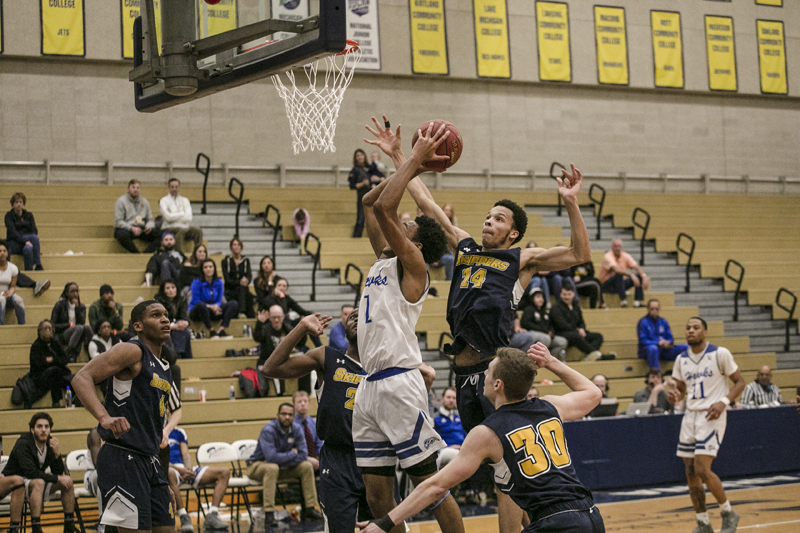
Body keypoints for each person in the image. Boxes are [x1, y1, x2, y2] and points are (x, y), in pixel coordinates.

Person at [364, 115, 590, 533]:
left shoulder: (520, 260)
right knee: (494, 473)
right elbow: (429, 206)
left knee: (506, 475)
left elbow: (579, 253)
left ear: (514, 233)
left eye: (499, 219)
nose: (490, 221)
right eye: (488, 216)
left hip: (494, 369)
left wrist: (571, 201)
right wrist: (401, 155)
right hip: (464, 373)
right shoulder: (465, 247)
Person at [359, 345, 604, 533]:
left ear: (497, 384)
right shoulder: (549, 406)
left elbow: (435, 486)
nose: (484, 373)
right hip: (590, 514)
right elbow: (593, 393)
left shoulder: (487, 433)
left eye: (488, 370)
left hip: (556, 524)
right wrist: (551, 363)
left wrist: (384, 522)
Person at [354, 121, 463, 533]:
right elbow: (371, 204)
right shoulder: (383, 261)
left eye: (407, 225)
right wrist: (402, 162)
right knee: (377, 496)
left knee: (428, 486)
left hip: (399, 382)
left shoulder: (414, 267)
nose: (399, 222)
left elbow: (384, 209)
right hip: (369, 385)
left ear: (415, 244)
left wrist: (414, 161)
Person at [261, 310, 384, 532]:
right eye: (351, 317)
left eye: (362, 315)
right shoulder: (326, 357)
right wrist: (301, 328)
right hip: (338, 458)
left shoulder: (383, 364)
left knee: (386, 528)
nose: (355, 319)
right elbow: (270, 368)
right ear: (344, 328)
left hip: (375, 455)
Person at [70, 300, 177, 533]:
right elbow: (81, 378)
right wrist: (104, 417)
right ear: (138, 325)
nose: (165, 319)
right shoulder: (133, 350)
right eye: (156, 315)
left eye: (166, 315)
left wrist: (157, 478)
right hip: (123, 458)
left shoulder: (165, 366)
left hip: (150, 461)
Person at [667, 317, 745, 533]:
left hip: (712, 414)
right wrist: (676, 395)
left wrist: (724, 402)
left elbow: (740, 382)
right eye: (688, 327)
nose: (690, 331)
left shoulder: (720, 353)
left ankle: (728, 513)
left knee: (702, 468)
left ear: (705, 332)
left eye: (696, 327)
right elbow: (681, 389)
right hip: (690, 415)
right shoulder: (681, 359)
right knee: (690, 470)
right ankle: (703, 523)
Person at [245, 403, 323, 525]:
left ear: (293, 416)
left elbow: (303, 455)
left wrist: (284, 458)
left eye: (290, 415)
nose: (287, 417)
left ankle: (310, 508)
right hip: (257, 466)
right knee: (272, 467)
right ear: (278, 415)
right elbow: (271, 457)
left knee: (306, 466)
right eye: (284, 414)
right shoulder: (268, 430)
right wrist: (292, 454)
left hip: (281, 468)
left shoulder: (296, 429)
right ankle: (269, 513)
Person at [3, 413, 78, 533]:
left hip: (36, 482)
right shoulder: (23, 443)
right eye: (39, 426)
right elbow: (30, 472)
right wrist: (57, 478)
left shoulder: (49, 443)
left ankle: (69, 526)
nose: (44, 430)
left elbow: (57, 472)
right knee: (39, 482)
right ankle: (36, 528)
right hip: (16, 484)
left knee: (67, 482)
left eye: (46, 427)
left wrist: (57, 455)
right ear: (32, 430)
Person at [167, 427, 230, 530]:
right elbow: (160, 459)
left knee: (224, 472)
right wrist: (180, 470)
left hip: (184, 469)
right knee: (169, 473)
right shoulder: (154, 429)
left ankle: (212, 514)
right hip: (170, 469)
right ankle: (183, 516)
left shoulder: (178, 431)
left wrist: (189, 470)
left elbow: (186, 454)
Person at [551, 286, 604, 361]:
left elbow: (581, 321)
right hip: (562, 333)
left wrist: (582, 329)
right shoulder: (556, 308)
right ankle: (598, 355)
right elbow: (561, 325)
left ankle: (590, 356)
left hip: (576, 332)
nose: (566, 297)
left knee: (598, 336)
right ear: (560, 295)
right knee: (576, 336)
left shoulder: (576, 307)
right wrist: (577, 330)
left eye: (569, 294)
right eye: (564, 294)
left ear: (573, 294)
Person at [189, 259, 237, 339]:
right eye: (206, 267)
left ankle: (221, 330)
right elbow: (196, 301)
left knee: (233, 304)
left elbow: (219, 299)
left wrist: (216, 306)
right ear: (202, 270)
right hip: (198, 311)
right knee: (201, 305)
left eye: (210, 267)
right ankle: (211, 331)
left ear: (214, 268)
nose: (208, 269)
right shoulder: (196, 282)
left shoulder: (219, 282)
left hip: (214, 310)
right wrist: (211, 307)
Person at [29, 319, 73, 407]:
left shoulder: (55, 342)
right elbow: (38, 364)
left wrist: (52, 360)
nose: (48, 330)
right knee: (55, 371)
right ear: (40, 331)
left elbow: (65, 359)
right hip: (40, 376)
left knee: (73, 378)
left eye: (50, 328)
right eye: (45, 328)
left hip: (56, 373)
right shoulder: (36, 346)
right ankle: (56, 401)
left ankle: (75, 401)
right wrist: (54, 361)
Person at [253, 305, 293, 396]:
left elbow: (301, 342)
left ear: (283, 317)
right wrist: (259, 323)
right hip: (266, 362)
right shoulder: (266, 329)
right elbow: (257, 337)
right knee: (263, 388)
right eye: (273, 317)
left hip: (283, 362)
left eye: (278, 317)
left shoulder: (287, 328)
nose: (276, 320)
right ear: (270, 318)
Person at [637, 299, 688, 370]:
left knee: (686, 347)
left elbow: (670, 338)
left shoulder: (663, 321)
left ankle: (687, 371)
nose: (654, 311)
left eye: (656, 309)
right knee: (653, 349)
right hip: (648, 350)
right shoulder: (643, 322)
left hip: (664, 350)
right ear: (648, 309)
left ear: (659, 309)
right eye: (652, 309)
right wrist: (658, 343)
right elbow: (643, 340)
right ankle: (656, 375)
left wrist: (668, 342)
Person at [518, 288, 568, 359]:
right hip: (534, 334)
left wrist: (551, 332)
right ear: (532, 298)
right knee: (546, 338)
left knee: (562, 342)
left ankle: (549, 360)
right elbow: (526, 324)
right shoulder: (528, 310)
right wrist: (545, 331)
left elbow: (550, 324)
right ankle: (537, 359)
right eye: (538, 297)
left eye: (542, 297)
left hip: (547, 334)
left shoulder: (544, 312)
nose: (541, 299)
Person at [599, 239, 649, 308]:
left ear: (621, 247)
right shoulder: (608, 256)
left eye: (619, 246)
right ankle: (623, 301)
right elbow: (616, 270)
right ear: (612, 247)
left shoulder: (625, 255)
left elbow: (637, 267)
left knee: (638, 276)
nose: (617, 248)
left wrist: (644, 276)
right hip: (607, 285)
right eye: (615, 246)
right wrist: (631, 275)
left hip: (620, 285)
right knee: (619, 275)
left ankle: (637, 303)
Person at [159, 178, 203, 254]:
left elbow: (189, 218)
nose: (174, 189)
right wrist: (182, 213)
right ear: (168, 187)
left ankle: (198, 252)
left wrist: (174, 214)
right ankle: (179, 254)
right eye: (172, 187)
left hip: (185, 227)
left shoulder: (185, 200)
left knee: (197, 231)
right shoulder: (164, 200)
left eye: (176, 187)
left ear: (179, 187)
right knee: (181, 231)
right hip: (169, 228)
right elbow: (168, 218)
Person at [50, 282, 93, 362]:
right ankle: (68, 352)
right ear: (66, 293)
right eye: (72, 291)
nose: (75, 294)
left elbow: (82, 323)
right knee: (79, 328)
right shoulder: (59, 305)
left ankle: (90, 353)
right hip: (62, 334)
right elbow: (53, 325)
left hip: (77, 333)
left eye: (77, 291)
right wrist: (68, 325)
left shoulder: (81, 307)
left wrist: (77, 309)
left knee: (87, 328)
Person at [114, 179, 159, 254]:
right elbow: (118, 221)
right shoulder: (121, 201)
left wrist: (148, 226)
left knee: (161, 234)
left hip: (142, 228)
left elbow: (150, 219)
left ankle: (146, 253)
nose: (136, 190)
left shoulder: (144, 201)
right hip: (128, 228)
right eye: (133, 187)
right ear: (128, 189)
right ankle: (136, 253)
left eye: (138, 188)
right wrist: (132, 228)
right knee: (121, 235)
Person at [155, 279, 193, 359]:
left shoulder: (181, 300)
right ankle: (180, 354)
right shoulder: (158, 301)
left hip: (177, 327)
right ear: (163, 290)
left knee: (185, 330)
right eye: (168, 288)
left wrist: (185, 322)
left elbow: (184, 316)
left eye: (173, 287)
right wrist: (173, 326)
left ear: (177, 289)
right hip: (162, 328)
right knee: (181, 332)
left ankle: (182, 355)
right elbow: (160, 321)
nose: (171, 290)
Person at [5, 192, 43, 271]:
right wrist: (25, 241)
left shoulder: (28, 215)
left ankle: (29, 272)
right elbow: (13, 233)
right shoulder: (9, 216)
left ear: (23, 204)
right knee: (33, 238)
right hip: (14, 243)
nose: (19, 204)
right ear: (13, 204)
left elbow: (34, 230)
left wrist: (28, 242)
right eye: (16, 202)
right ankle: (38, 264)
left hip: (28, 242)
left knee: (28, 249)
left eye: (20, 202)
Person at [221, 236, 255, 319]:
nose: (236, 247)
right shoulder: (225, 261)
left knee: (247, 293)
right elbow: (227, 280)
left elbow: (249, 275)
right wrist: (239, 282)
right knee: (246, 293)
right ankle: (242, 312)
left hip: (242, 289)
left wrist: (247, 280)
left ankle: (248, 316)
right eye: (234, 245)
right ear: (231, 247)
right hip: (231, 289)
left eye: (238, 245)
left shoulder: (246, 260)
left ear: (241, 247)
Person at [433, 388, 466, 469]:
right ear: (442, 399)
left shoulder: (460, 419)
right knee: (454, 454)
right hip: (444, 452)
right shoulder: (435, 419)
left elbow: (467, 437)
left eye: (454, 398)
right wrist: (448, 447)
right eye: (448, 397)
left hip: (462, 450)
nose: (451, 400)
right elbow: (433, 443)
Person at [293, 391, 323, 470]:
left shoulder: (313, 423)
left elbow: (319, 445)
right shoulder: (290, 424)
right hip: (298, 460)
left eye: (305, 401)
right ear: (294, 405)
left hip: (315, 459)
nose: (303, 404)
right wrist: (306, 459)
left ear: (309, 404)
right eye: (299, 401)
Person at [0, 240, 25, 324]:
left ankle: (22, 325)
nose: (2, 253)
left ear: (7, 253)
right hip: (1, 296)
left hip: (7, 294)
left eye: (4, 251)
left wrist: (10, 292)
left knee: (19, 300)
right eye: (0, 251)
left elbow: (13, 286)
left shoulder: (13, 268)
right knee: (1, 299)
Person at [349, 149, 371, 238]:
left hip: (372, 195)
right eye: (358, 156)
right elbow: (352, 185)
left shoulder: (371, 168)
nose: (360, 157)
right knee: (361, 218)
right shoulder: (355, 170)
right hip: (362, 195)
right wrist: (362, 183)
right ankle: (356, 237)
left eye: (361, 155)